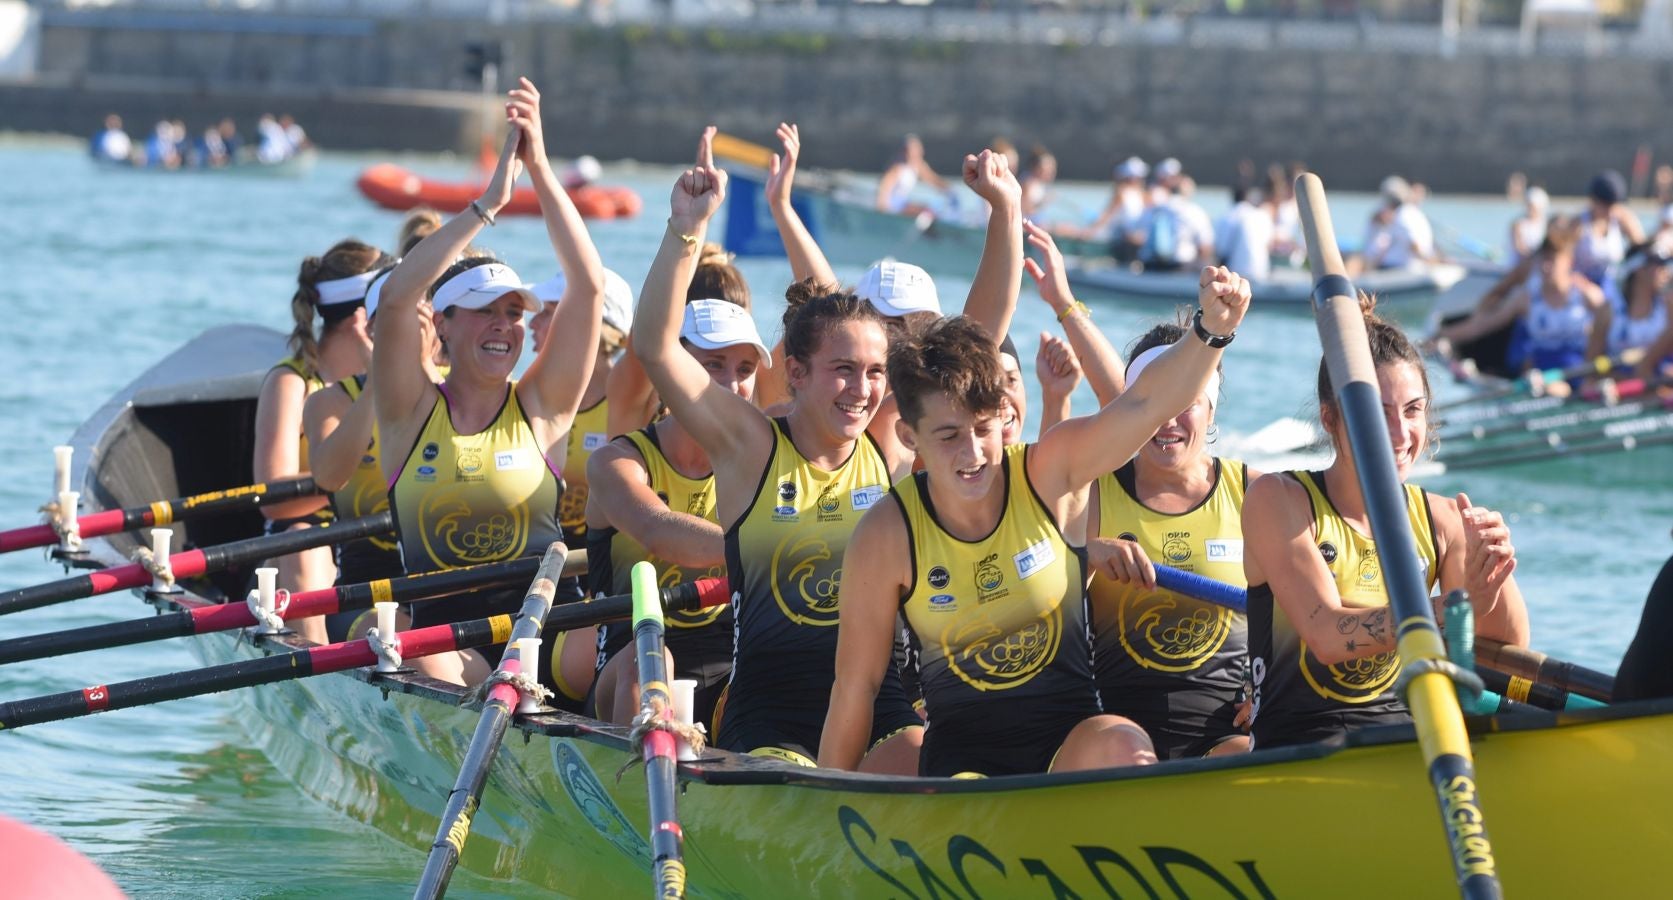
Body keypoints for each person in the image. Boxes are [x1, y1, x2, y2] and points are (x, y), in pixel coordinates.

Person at [820, 266, 1253, 777]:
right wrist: (821, 808)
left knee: (1122, 740)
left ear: (1003, 415)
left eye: (984, 429)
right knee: (899, 761)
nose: (974, 453)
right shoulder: (887, 533)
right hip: (959, 759)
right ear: (910, 437)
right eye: (949, 435)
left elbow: (1145, 403)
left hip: (1064, 746)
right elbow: (856, 687)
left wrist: (1211, 333)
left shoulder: (1050, 473)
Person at [634, 129, 932, 773]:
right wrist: (685, 229)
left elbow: (979, 335)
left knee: (921, 760)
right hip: (771, 711)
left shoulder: (885, 437)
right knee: (788, 775)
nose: (862, 390)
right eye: (843, 371)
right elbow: (657, 347)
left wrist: (1005, 214)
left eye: (876, 372)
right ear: (795, 373)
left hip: (882, 704)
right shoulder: (748, 444)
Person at [375, 78, 606, 686]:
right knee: (423, 655)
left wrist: (543, 170)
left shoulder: (541, 409)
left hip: (544, 634)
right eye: (485, 310)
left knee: (617, 638)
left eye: (514, 312)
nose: (505, 325)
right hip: (450, 642)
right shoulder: (408, 410)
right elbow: (398, 298)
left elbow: (587, 286)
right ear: (443, 325)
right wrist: (489, 204)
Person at [1244, 300, 1530, 749]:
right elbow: (1326, 636)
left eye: (1413, 410)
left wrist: (1495, 571)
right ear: (1330, 419)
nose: (1400, 434)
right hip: (1303, 746)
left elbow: (1508, 652)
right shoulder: (1279, 501)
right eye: (1378, 413)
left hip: (1410, 740)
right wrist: (1452, 609)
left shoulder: (1442, 518)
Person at [585, 298, 769, 726]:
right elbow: (657, 531)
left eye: (745, 370)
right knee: (650, 656)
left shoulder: (762, 464)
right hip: (627, 669)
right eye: (714, 364)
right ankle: (634, 783)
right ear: (673, 371)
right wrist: (772, 545)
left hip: (729, 670)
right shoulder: (617, 463)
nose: (732, 385)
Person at [1085, 322, 1255, 759]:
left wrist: (1274, 689)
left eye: (1186, 403)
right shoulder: (1090, 494)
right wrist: (1083, 557)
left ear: (1211, 409)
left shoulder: (1256, 493)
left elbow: (1307, 609)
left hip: (1226, 730)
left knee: (1249, 756)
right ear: (1132, 407)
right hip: (1114, 728)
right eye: (1154, 402)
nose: (1168, 419)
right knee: (1129, 750)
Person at [301, 268, 447, 642]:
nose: (405, 331)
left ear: (438, 325)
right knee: (407, 636)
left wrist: (425, 369)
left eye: (414, 318)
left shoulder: (465, 394)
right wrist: (380, 378)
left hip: (450, 590)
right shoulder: (330, 402)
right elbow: (329, 477)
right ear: (370, 331)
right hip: (366, 594)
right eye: (392, 320)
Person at [255, 239, 389, 642]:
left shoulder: (400, 381)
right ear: (362, 317)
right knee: (304, 544)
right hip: (302, 543)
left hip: (369, 539)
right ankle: (325, 677)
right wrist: (340, 474)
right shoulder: (292, 382)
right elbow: (274, 501)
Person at [526, 265, 636, 703]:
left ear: (593, 323)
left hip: (597, 576)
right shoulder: (527, 396)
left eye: (549, 311)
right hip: (540, 570)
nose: (532, 323)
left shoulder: (629, 404)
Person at [1439, 218, 1609, 375]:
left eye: (1552, 261)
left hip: (1577, 367)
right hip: (1542, 371)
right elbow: (1482, 326)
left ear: (1569, 262)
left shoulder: (1588, 294)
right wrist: (1441, 335)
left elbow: (1613, 329)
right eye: (1543, 260)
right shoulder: (1527, 298)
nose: (1546, 267)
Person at [1575, 170, 1647, 283]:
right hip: (1583, 288)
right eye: (1606, 205)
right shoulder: (1578, 224)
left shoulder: (1622, 218)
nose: (1610, 211)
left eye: (1614, 205)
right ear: (1594, 201)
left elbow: (1643, 248)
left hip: (1613, 287)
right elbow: (1565, 265)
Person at [1360, 176, 1435, 271]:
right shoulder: (1403, 213)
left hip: (1407, 266)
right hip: (1397, 266)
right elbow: (1413, 244)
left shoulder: (1407, 213)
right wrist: (1430, 261)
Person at [1215, 184, 1276, 282]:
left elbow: (1222, 251)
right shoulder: (1262, 216)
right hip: (1261, 273)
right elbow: (1270, 244)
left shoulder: (1226, 217)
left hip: (1236, 276)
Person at [876, 134, 948, 216]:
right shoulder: (896, 168)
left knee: (929, 209)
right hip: (892, 204)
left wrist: (948, 189)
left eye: (916, 150)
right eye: (910, 150)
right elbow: (883, 191)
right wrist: (883, 211)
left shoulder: (919, 166)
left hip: (902, 202)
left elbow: (933, 180)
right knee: (925, 211)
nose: (914, 153)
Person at [1508, 186, 1550, 264]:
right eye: (1529, 205)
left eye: (1533, 206)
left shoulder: (1547, 225)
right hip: (1519, 268)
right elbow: (1520, 249)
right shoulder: (1517, 225)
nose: (1530, 209)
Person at [1020, 145, 1058, 219]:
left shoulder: (1039, 185)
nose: (1051, 172)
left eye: (1052, 168)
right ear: (1036, 168)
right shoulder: (1027, 184)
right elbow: (1023, 211)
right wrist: (1044, 201)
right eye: (1048, 168)